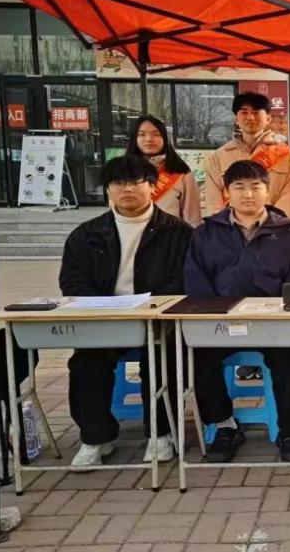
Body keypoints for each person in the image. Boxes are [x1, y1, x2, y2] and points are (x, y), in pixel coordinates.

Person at [59, 155, 192, 467]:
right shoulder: (86, 234)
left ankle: (161, 433)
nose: (127, 189)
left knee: (163, 358)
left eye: (135, 182)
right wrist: (107, 309)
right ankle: (96, 437)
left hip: (157, 320)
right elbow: (73, 282)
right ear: (108, 189)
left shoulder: (177, 233)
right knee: (86, 362)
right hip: (105, 320)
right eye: (118, 183)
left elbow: (183, 280)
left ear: (152, 186)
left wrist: (148, 307)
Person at [184, 160, 290, 463]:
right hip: (221, 324)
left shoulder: (289, 234)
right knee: (197, 357)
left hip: (273, 324)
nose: (248, 194)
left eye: (256, 186)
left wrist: (282, 315)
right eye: (239, 187)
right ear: (227, 192)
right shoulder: (205, 233)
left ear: (268, 191)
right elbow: (195, 282)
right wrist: (218, 314)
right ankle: (225, 426)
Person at [202, 92, 290, 220]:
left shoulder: (287, 156)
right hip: (230, 229)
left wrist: (273, 225)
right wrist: (224, 227)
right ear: (236, 119)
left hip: (272, 228)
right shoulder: (218, 157)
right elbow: (213, 201)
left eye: (256, 112)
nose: (250, 117)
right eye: (244, 112)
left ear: (268, 118)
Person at [123, 115, 202, 226]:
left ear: (165, 138)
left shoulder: (181, 173)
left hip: (172, 235)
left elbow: (193, 219)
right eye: (142, 134)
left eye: (156, 134)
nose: (149, 139)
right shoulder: (122, 172)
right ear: (134, 139)